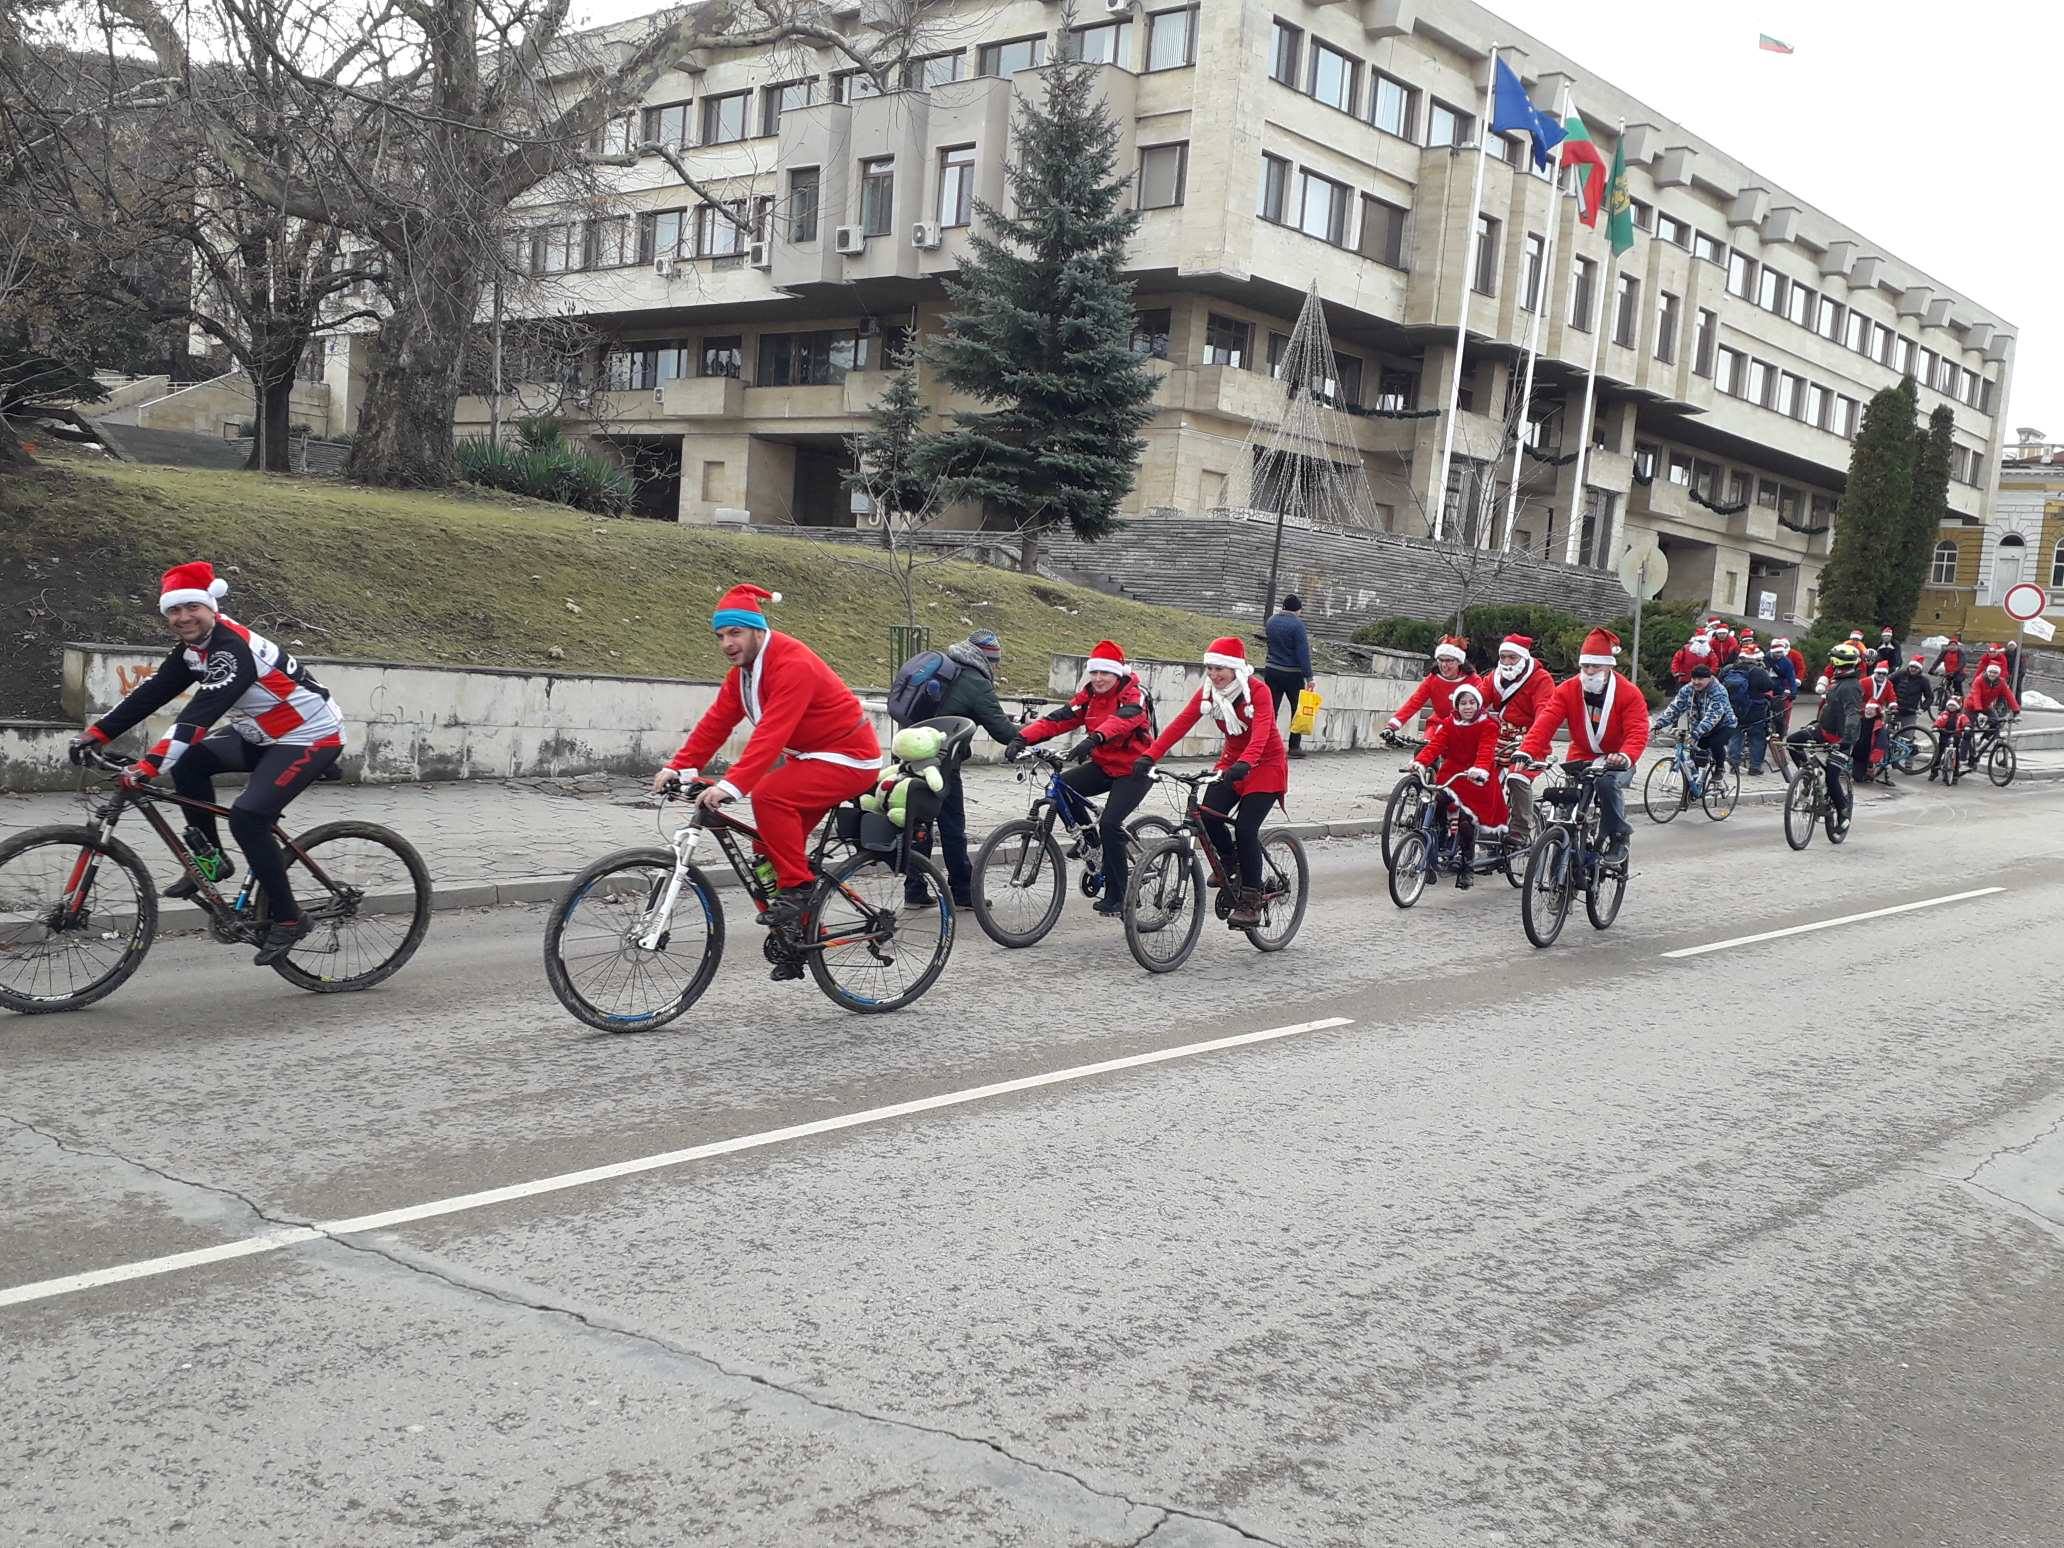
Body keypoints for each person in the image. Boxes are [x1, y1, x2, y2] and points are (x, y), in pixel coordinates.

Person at [69, 561, 348, 967]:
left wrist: (148, 766)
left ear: (211, 606)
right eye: (173, 611)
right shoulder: (194, 650)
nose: (182, 618)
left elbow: (195, 720)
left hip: (308, 736)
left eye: (191, 608)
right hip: (259, 733)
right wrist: (96, 734)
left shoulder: (231, 651)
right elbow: (152, 694)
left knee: (248, 816)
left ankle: (290, 918)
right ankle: (212, 861)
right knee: (190, 765)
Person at [655, 584, 883, 959]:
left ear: (758, 630)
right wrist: (679, 766)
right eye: (720, 636)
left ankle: (799, 887)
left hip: (849, 758)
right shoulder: (742, 675)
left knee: (770, 796)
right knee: (766, 845)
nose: (727, 643)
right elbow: (715, 724)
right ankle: (803, 937)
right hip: (810, 758)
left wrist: (732, 785)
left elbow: (772, 732)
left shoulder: (793, 664)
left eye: (735, 633)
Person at [1135, 636, 1288, 925]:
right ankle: (1230, 864)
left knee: (1245, 829)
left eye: (1221, 669)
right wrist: (1150, 756)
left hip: (1265, 763)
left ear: (1235, 669)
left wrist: (1247, 762)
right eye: (1210, 668)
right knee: (1207, 816)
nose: (1215, 675)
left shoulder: (1258, 691)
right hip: (1233, 763)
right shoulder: (1209, 692)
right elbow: (1181, 722)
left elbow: (1263, 732)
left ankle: (1251, 900)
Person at [1010, 639, 1156, 916]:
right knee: (1062, 785)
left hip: (1136, 768)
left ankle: (1119, 895)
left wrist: (1094, 738)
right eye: (1095, 672)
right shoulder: (1088, 696)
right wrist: (1020, 739)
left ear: (1118, 674)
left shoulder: (1133, 695)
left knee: (1111, 823)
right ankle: (1091, 843)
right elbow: (1058, 719)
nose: (1099, 678)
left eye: (1106, 673)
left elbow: (1124, 719)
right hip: (1105, 765)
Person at [904, 630, 1020, 909]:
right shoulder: (976, 681)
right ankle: (962, 891)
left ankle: (914, 890)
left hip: (911, 749)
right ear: (987, 659)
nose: (995, 668)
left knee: (919, 823)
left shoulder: (948, 668)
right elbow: (1003, 732)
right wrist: (1029, 732)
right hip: (942, 761)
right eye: (995, 663)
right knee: (952, 826)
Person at [1519, 627, 1649, 868]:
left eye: (1595, 667)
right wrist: (1527, 750)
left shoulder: (1629, 693)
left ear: (1609, 666)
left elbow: (1637, 730)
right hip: (1581, 756)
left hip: (1617, 758)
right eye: (1585, 666)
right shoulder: (1568, 689)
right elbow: (1546, 721)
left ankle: (1619, 835)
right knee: (1565, 804)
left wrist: (1625, 756)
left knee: (1606, 783)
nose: (1589, 672)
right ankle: (1563, 856)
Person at [1408, 681, 1505, 890]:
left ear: (1478, 705)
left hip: (1477, 778)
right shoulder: (1449, 723)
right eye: (1463, 703)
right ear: (1457, 706)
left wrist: (1479, 768)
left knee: (1466, 820)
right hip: (1452, 774)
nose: (1467, 707)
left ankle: (1466, 866)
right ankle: (1440, 839)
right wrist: (1421, 762)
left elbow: (1486, 749)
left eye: (1472, 703)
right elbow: (1435, 745)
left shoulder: (1488, 725)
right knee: (1437, 802)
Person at [1485, 633, 1555, 841]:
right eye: (1503, 657)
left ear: (1523, 658)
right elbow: (1478, 698)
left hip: (1531, 740)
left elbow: (1545, 714)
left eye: (1512, 658)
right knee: (1478, 775)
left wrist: (1529, 745)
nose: (1506, 662)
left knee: (1517, 778)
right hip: (1500, 738)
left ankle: (1520, 831)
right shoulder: (1494, 677)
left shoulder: (1541, 680)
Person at [1787, 642, 1863, 833]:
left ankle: (1843, 812)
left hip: (1842, 738)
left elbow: (1853, 714)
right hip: (1824, 729)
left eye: (1833, 662)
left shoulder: (1851, 686)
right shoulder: (1837, 679)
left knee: (1831, 776)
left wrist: (1846, 740)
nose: (1831, 666)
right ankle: (1807, 775)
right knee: (1792, 741)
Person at [1653, 663, 1737, 785]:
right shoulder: (1688, 689)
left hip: (1723, 725)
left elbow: (1713, 717)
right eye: (1694, 679)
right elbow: (1675, 707)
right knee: (1696, 754)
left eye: (1700, 679)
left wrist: (1696, 733)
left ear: (1709, 678)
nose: (1696, 682)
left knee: (1715, 743)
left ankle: (1719, 768)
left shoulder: (1719, 692)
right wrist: (1659, 724)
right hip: (1699, 725)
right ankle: (1694, 785)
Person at [1387, 636, 1480, 733]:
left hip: (1465, 727)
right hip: (1437, 726)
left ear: (1459, 662)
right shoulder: (1432, 679)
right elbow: (1414, 702)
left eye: (1449, 661)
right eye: (1441, 660)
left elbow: (1481, 707)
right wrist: (1391, 726)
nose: (1444, 665)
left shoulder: (1473, 680)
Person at [1262, 594, 1314, 760]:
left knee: (1271, 710)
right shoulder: (1297, 625)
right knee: (1297, 710)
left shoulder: (1271, 621)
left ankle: (1266, 744)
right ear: (1297, 609)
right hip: (1292, 674)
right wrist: (1309, 677)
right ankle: (1294, 747)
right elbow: (1302, 653)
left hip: (1272, 670)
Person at [1730, 644, 1775, 774]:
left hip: (1735, 709)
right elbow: (1769, 686)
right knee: (1757, 737)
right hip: (1755, 709)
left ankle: (1734, 765)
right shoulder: (1758, 671)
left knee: (1735, 736)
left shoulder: (1730, 669)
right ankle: (1755, 767)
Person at [1857, 659, 1898, 780]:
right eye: (1879, 673)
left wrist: (1893, 705)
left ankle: (1872, 762)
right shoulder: (1864, 682)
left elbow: (1892, 697)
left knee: (1879, 735)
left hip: (1879, 712)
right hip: (1864, 711)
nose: (1881, 676)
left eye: (1883, 674)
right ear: (1875, 672)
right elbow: (1857, 696)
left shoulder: (1888, 684)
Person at [1966, 660, 2021, 729]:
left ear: (1998, 674)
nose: (1992, 674)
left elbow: (2009, 696)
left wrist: (2016, 712)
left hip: (1986, 706)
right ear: (1987, 671)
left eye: (1995, 673)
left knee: (1996, 725)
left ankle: (1985, 739)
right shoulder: (1979, 680)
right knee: (1969, 728)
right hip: (1972, 706)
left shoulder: (2001, 682)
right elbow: (1976, 696)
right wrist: (1979, 712)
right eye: (1990, 672)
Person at [1927, 695, 1971, 782]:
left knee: (1956, 755)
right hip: (1944, 735)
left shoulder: (1961, 716)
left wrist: (1967, 726)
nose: (1951, 707)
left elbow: (1966, 721)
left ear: (1958, 706)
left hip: (1956, 735)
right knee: (1938, 753)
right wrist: (1936, 726)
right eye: (1950, 705)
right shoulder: (1944, 714)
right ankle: (1934, 771)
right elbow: (1939, 721)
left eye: (1954, 705)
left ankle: (1955, 774)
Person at [1892, 657, 1933, 727]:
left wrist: (1922, 708)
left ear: (1920, 669)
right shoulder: (1900, 674)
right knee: (1885, 731)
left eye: (1916, 668)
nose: (1913, 669)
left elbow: (1929, 697)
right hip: (1894, 708)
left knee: (1907, 735)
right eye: (1911, 667)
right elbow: (1887, 683)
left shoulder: (1924, 680)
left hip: (1910, 712)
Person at [1931, 632, 1966, 697]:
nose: (1952, 647)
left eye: (1954, 645)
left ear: (1957, 646)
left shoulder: (1960, 653)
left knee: (1957, 683)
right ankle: (1940, 699)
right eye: (1951, 645)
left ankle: (1959, 697)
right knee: (1943, 684)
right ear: (1948, 646)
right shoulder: (1945, 652)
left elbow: (1962, 663)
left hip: (1959, 673)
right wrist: (1932, 670)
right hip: (1948, 672)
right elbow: (1938, 661)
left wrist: (1955, 672)